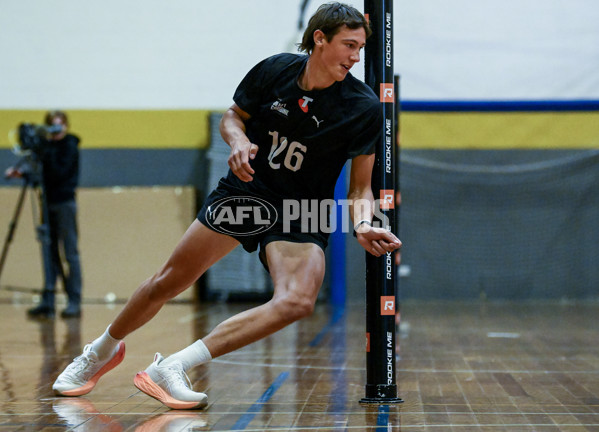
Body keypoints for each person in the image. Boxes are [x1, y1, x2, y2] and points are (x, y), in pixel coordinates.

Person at [52, 2, 401, 409]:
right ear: (319, 39)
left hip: (300, 211)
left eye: (361, 48)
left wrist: (362, 225)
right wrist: (237, 141)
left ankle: (175, 365)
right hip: (245, 193)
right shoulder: (274, 70)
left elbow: (360, 190)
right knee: (169, 281)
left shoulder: (362, 107)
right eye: (349, 45)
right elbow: (233, 117)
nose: (356, 57)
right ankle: (101, 351)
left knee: (298, 301)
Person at [5, 110, 82, 319]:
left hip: (65, 204)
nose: (56, 131)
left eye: (59, 126)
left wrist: (44, 152)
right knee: (49, 252)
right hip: (47, 203)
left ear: (66, 126)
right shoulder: (46, 147)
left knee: (70, 253)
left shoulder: (70, 146)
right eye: (52, 126)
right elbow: (43, 174)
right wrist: (23, 171)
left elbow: (58, 173)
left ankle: (74, 300)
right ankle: (48, 300)